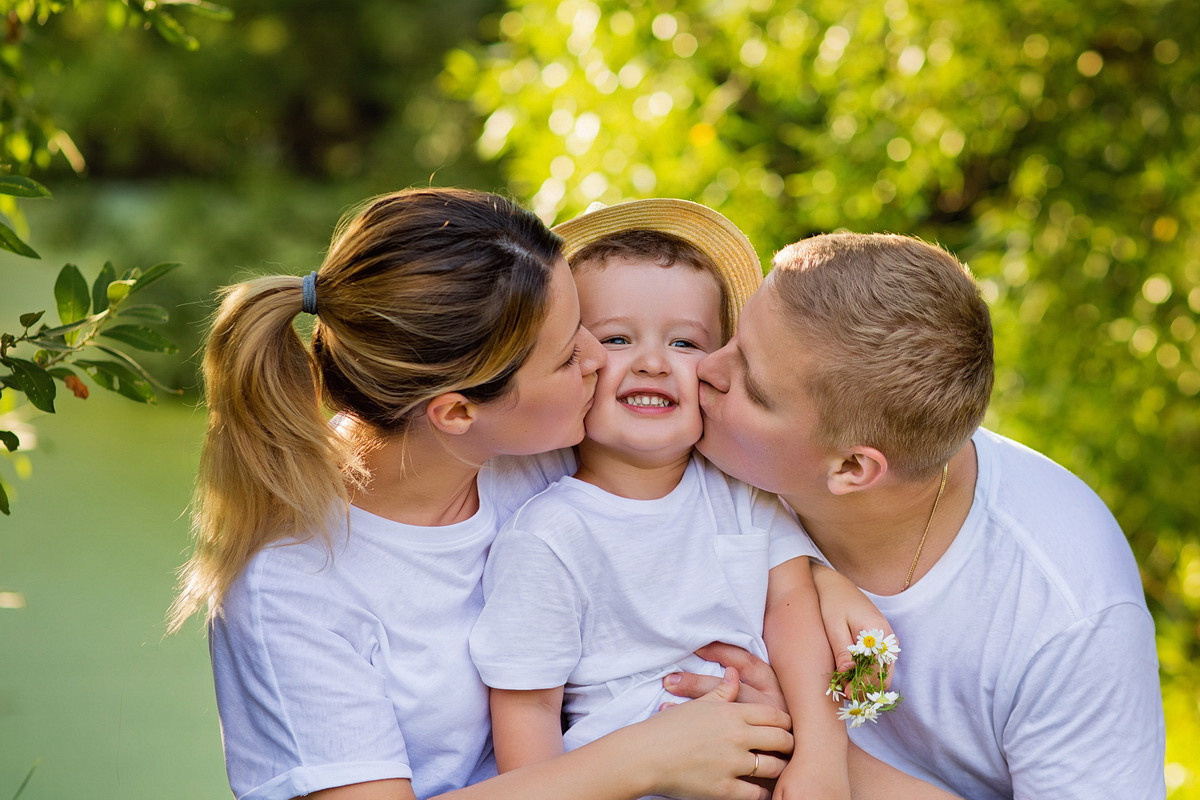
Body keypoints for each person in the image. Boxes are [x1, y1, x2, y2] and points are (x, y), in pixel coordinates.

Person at [166, 188, 796, 800]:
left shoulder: (537, 450)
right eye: (569, 350)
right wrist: (648, 758)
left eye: (585, 322)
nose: (599, 359)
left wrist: (763, 690)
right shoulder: (290, 588)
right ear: (457, 413)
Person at [684, 231, 1166, 799]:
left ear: (853, 469)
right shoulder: (705, 448)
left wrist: (801, 742)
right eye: (735, 337)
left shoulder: (1068, 614)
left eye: (754, 388)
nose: (704, 368)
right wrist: (812, 570)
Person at [469, 199, 865, 800]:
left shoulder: (739, 489)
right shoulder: (549, 535)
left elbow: (792, 610)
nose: (653, 363)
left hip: (764, 760)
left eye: (684, 343)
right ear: (575, 360)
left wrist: (819, 757)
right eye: (619, 338)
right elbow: (528, 712)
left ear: (718, 366)